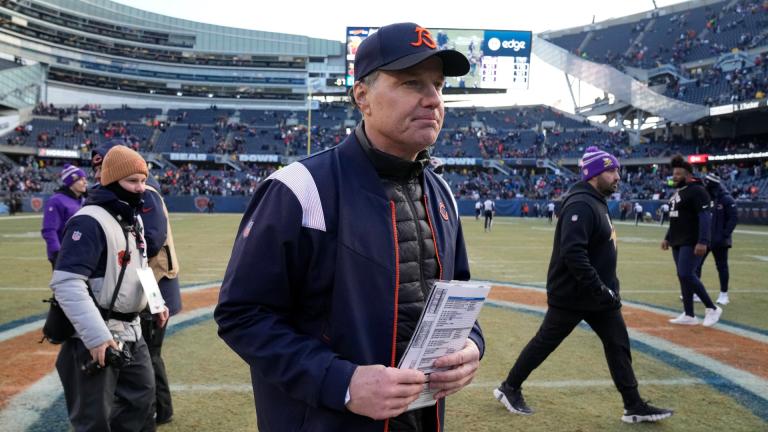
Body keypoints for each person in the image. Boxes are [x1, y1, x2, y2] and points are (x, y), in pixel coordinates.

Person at [215, 22, 484, 432]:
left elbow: (456, 296)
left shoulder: (441, 193)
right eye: (412, 83)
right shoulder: (300, 188)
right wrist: (342, 382)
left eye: (439, 85)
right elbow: (242, 314)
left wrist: (471, 345)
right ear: (363, 96)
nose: (432, 99)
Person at [493, 146, 673, 423]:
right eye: (612, 170)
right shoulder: (581, 203)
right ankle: (509, 388)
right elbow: (573, 253)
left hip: (599, 296)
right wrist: (599, 288)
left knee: (618, 345)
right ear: (594, 173)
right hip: (575, 294)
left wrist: (606, 288)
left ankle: (633, 404)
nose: (617, 177)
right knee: (545, 343)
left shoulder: (596, 200)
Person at [51, 145, 169, 431]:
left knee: (141, 403)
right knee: (94, 419)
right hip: (98, 334)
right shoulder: (88, 221)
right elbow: (67, 283)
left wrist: (156, 301)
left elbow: (141, 266)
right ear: (112, 180)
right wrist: (96, 338)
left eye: (143, 181)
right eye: (132, 181)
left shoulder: (132, 218)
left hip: (133, 331)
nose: (140, 188)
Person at [92, 140, 183, 425]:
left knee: (148, 355)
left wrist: (154, 298)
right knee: (144, 356)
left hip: (152, 285)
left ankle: (158, 409)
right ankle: (154, 409)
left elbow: (149, 244)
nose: (96, 175)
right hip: (144, 286)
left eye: (101, 167)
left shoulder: (146, 196)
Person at [662, 155, 722, 326]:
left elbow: (704, 217)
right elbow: (676, 218)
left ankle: (712, 308)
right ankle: (689, 314)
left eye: (678, 174)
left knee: (686, 274)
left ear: (688, 175)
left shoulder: (698, 191)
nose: (674, 177)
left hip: (692, 240)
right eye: (674, 174)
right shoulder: (678, 192)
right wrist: (667, 238)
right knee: (683, 276)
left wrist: (703, 241)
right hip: (677, 241)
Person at [696, 173, 737, 305]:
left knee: (722, 266)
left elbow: (733, 219)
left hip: (720, 241)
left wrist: (724, 235)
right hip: (705, 239)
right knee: (696, 265)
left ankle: (724, 294)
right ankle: (696, 292)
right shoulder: (706, 198)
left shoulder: (726, 199)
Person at [41, 164, 87, 269]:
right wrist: (57, 253)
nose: (85, 182)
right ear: (71, 181)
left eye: (85, 179)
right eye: (81, 179)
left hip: (82, 253)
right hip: (64, 254)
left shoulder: (83, 200)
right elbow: (49, 230)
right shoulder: (56, 201)